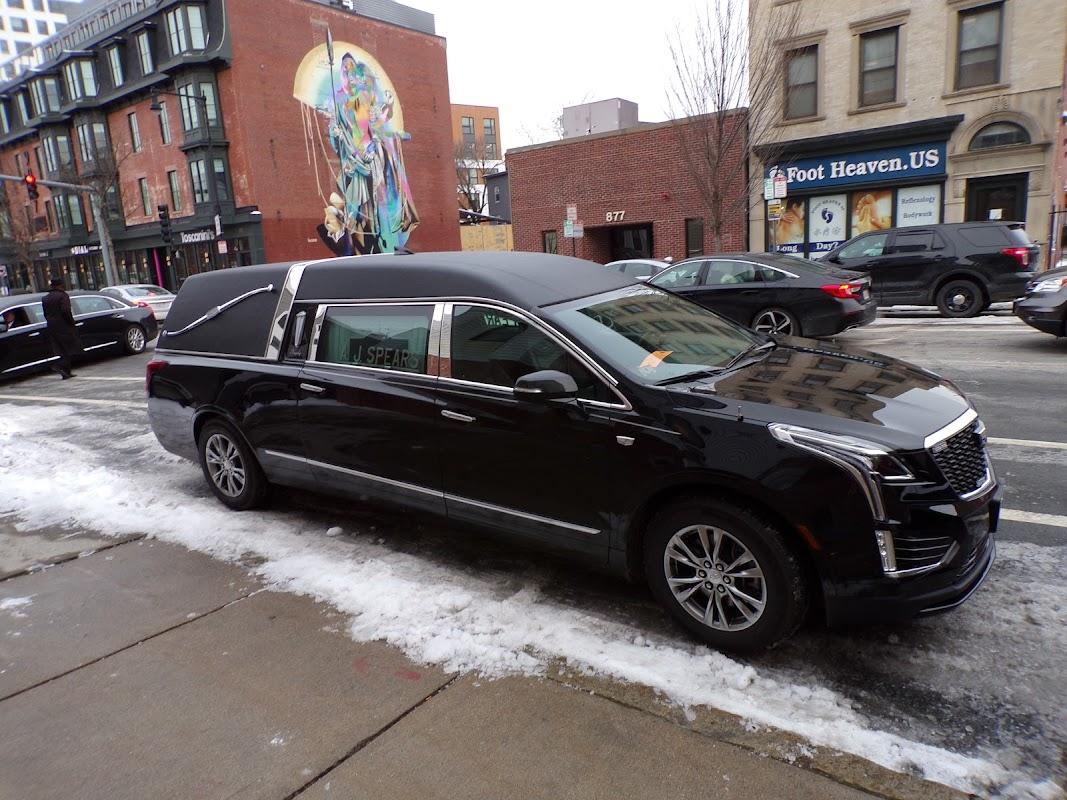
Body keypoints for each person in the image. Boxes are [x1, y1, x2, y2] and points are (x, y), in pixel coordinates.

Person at [42, 278, 81, 379]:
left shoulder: (45, 298)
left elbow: (45, 314)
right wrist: (71, 322)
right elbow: (66, 311)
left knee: (61, 349)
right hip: (64, 326)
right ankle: (59, 366)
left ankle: (66, 372)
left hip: (52, 326)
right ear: (60, 285)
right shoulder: (63, 296)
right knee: (70, 348)